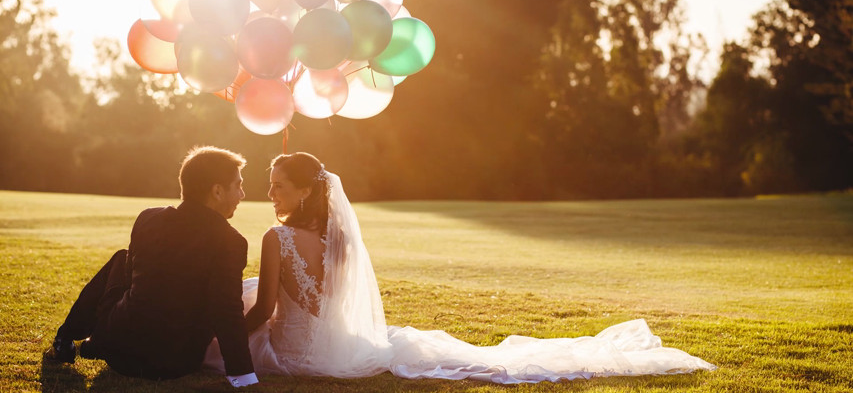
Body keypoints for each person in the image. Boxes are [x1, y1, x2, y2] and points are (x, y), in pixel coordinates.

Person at [204, 152, 716, 383]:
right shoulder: (338, 240)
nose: (269, 194)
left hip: (299, 357)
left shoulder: (276, 238)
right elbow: (329, 302)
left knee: (244, 304)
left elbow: (267, 311)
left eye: (276, 185)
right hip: (340, 348)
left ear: (303, 190)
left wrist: (232, 340)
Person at [44, 146, 259, 388]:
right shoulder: (231, 241)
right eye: (238, 185)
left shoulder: (149, 218)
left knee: (121, 259)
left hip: (118, 350)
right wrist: (243, 376)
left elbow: (131, 279)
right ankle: (81, 339)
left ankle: (66, 337)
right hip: (174, 363)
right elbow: (227, 310)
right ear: (217, 191)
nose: (242, 194)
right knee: (123, 260)